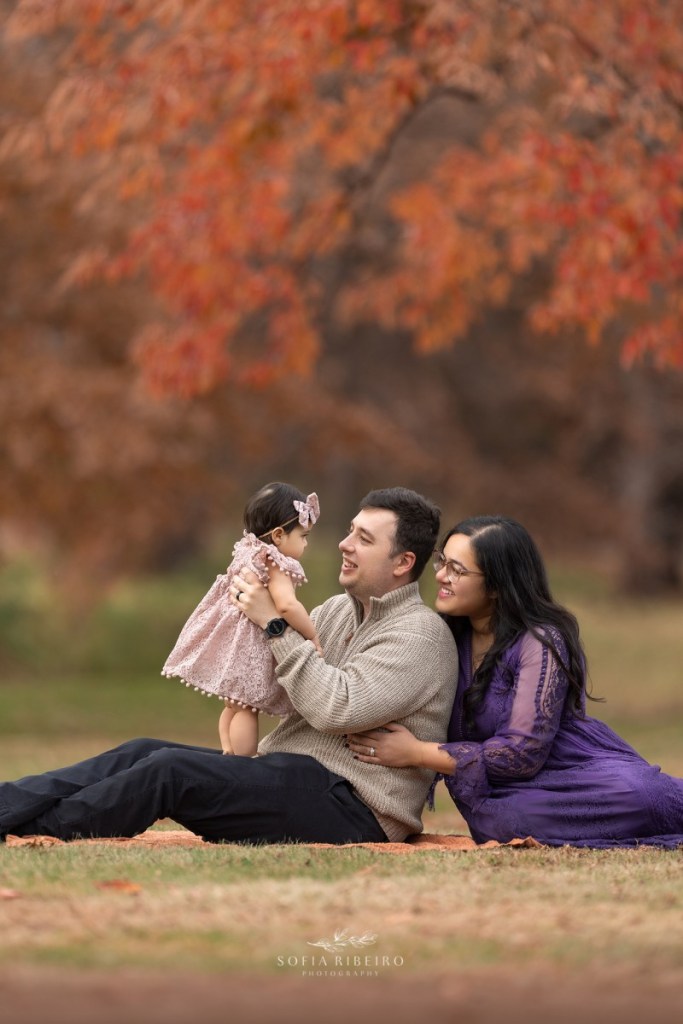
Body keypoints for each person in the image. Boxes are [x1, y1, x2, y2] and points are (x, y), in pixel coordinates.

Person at [0, 488, 457, 845]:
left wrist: (275, 626)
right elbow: (286, 686)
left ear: (403, 563)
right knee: (143, 750)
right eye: (350, 530)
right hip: (297, 773)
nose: (344, 543)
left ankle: (35, 829)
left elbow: (335, 708)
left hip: (353, 805)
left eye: (364, 538)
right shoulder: (338, 611)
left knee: (171, 771)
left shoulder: (419, 635)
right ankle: (7, 806)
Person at [347, 515, 683, 849]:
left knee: (637, 795)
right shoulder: (441, 637)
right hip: (498, 791)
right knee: (506, 822)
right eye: (442, 562)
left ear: (496, 586)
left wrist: (418, 753)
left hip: (577, 771)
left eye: (457, 570)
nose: (440, 576)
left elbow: (522, 753)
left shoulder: (540, 642)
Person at [162, 482, 322, 757]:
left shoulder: (248, 550)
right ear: (280, 535)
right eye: (303, 536)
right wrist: (312, 635)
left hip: (230, 642)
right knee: (247, 707)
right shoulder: (276, 562)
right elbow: (286, 605)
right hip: (249, 647)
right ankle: (244, 759)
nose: (306, 544)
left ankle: (227, 749)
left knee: (233, 705)